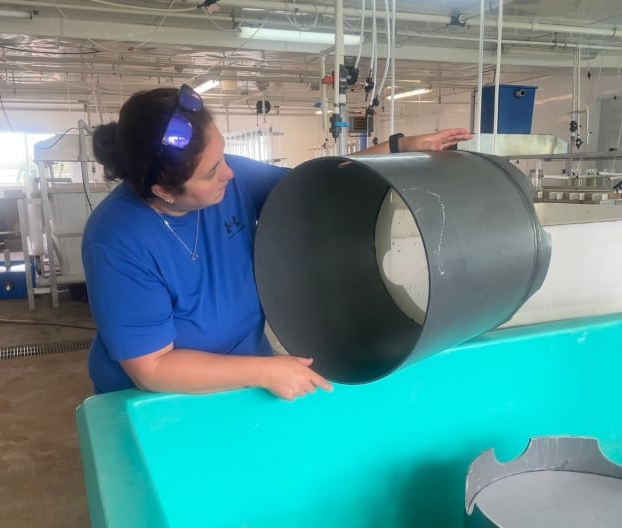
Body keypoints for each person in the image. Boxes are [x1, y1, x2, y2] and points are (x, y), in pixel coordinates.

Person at [83, 83, 473, 401]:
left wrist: (396, 150)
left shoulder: (226, 182)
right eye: (212, 171)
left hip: (247, 372)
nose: (230, 175)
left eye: (223, 156)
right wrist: (266, 371)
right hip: (160, 399)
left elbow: (314, 182)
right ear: (164, 191)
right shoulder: (118, 240)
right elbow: (152, 368)